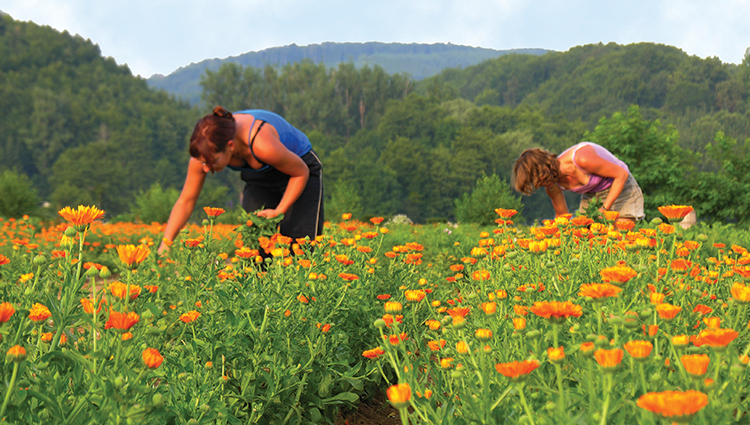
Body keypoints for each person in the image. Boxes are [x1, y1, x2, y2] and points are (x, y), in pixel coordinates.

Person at [158, 106, 323, 252]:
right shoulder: (203, 156)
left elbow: (301, 172)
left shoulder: (262, 144)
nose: (206, 169)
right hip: (261, 178)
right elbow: (186, 200)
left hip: (299, 168)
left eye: (211, 162)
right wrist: (166, 244)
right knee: (254, 245)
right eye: (203, 163)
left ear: (230, 146)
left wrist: (279, 211)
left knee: (299, 248)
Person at [512, 142, 644, 222]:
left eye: (534, 180)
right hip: (593, 194)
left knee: (621, 240)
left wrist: (604, 209)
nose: (536, 186)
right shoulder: (552, 186)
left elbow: (621, 174)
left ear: (541, 170)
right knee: (585, 240)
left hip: (620, 186)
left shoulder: (581, 159)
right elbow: (562, 216)